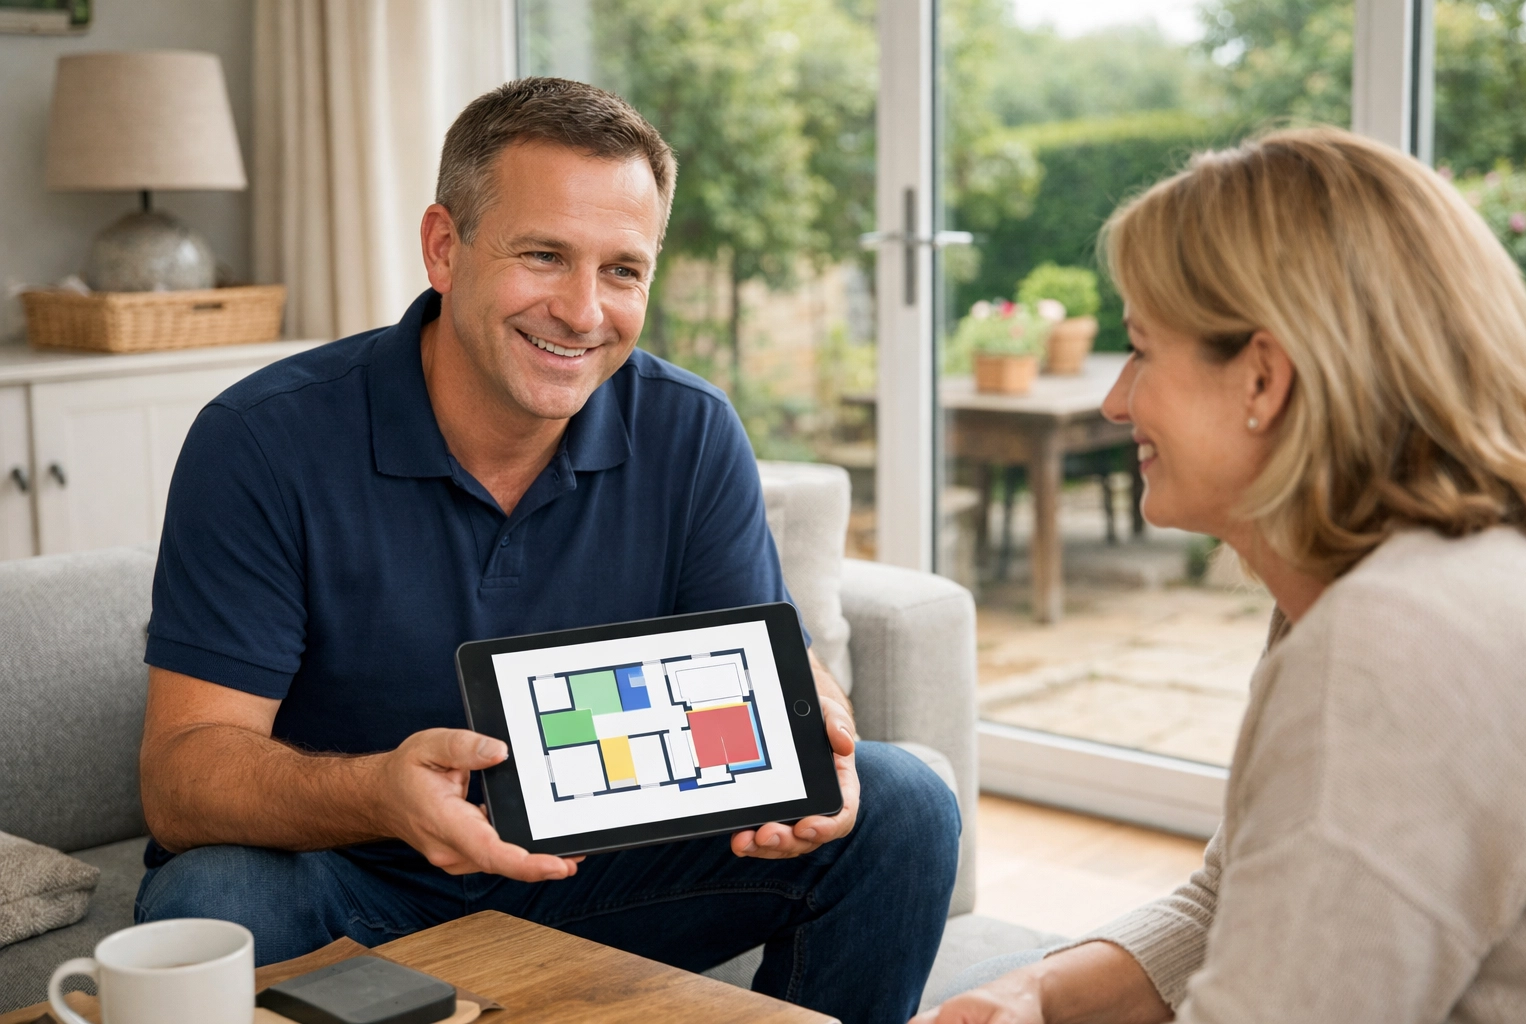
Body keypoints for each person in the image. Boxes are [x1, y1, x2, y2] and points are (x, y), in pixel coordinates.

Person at [133, 77, 959, 1024]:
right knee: (215, 900)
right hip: (355, 886)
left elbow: (773, 664)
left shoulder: (690, 431)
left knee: (902, 805)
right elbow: (182, 778)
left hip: (597, 877)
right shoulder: (261, 440)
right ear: (445, 249)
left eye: (622, 270)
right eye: (543, 255)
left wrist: (822, 730)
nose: (582, 310)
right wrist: (380, 793)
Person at [917, 126, 1526, 1024]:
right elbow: (1233, 896)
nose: (1116, 399)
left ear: (1262, 380)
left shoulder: (1395, 643)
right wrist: (1035, 990)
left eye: (1142, 349)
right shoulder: (1382, 581)